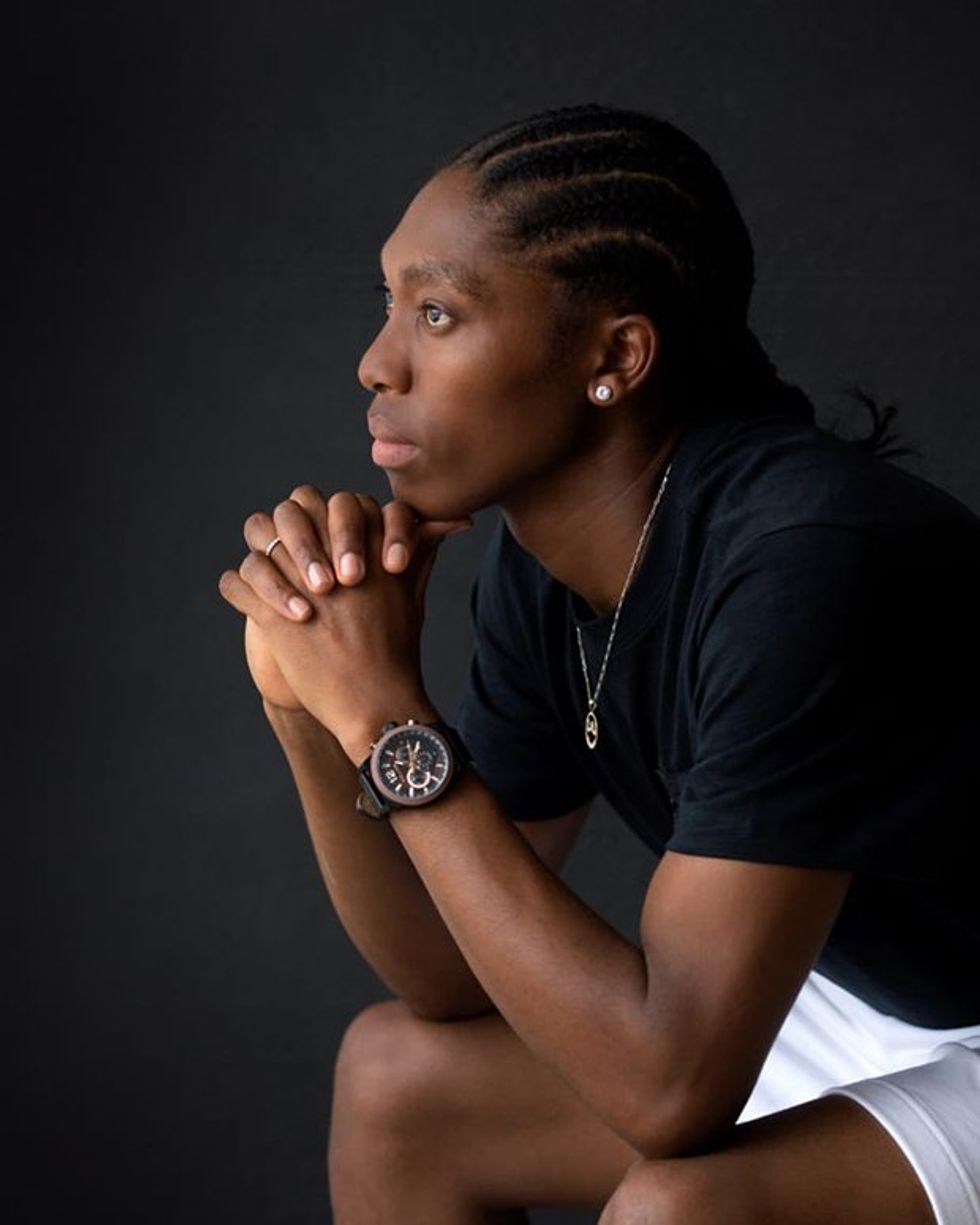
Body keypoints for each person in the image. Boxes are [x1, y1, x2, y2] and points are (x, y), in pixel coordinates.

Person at [218, 103, 980, 1224]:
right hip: (872, 996)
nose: (377, 361)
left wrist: (386, 721)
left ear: (614, 357)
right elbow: (444, 976)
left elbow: (668, 1087)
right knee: (398, 1081)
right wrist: (310, 704)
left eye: (436, 312)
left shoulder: (806, 561)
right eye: (387, 307)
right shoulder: (546, 559)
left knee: (677, 1209)